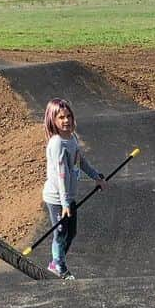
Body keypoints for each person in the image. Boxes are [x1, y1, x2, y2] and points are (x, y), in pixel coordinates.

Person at [41, 97, 106, 278]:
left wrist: (96, 177)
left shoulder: (72, 139)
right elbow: (61, 175)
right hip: (57, 197)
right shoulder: (57, 143)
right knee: (61, 233)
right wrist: (64, 203)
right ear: (52, 120)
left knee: (71, 233)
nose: (66, 120)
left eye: (68, 116)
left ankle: (56, 261)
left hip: (68, 196)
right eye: (61, 117)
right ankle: (59, 267)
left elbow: (80, 161)